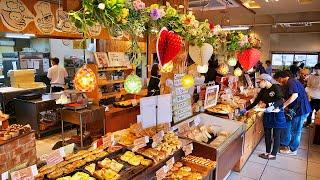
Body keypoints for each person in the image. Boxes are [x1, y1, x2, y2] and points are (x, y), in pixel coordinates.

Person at [240, 74, 286, 160]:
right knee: (267, 134)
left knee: (276, 135)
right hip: (267, 114)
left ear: (265, 80)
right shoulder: (263, 90)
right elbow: (256, 102)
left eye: (259, 82)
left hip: (277, 114)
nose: (258, 84)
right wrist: (246, 109)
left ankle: (273, 154)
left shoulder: (276, 87)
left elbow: (281, 100)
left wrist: (272, 106)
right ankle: (267, 151)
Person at [274, 70, 311, 155]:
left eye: (277, 80)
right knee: (287, 125)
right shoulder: (289, 83)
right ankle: (284, 143)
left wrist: (282, 106)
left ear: (281, 77)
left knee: (296, 130)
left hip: (301, 110)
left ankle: (292, 149)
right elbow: (287, 96)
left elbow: (295, 95)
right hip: (294, 110)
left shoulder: (291, 81)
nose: (278, 82)